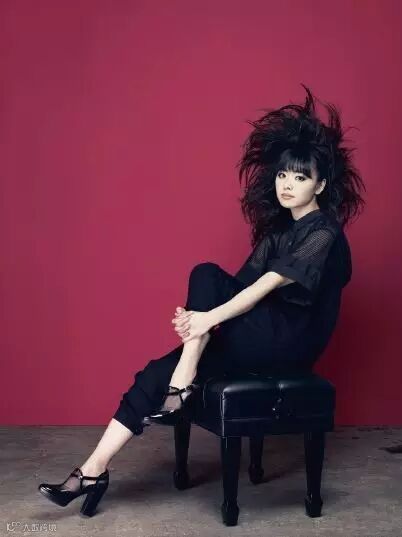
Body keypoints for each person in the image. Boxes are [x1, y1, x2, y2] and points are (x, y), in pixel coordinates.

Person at [37, 84, 365, 517]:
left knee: (205, 285)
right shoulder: (278, 233)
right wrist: (199, 318)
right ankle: (93, 471)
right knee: (159, 363)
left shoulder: (323, 231)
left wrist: (203, 320)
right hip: (258, 335)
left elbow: (262, 287)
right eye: (283, 175)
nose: (287, 184)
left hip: (291, 342)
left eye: (300, 177)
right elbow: (235, 286)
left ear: (320, 185)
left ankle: (183, 381)